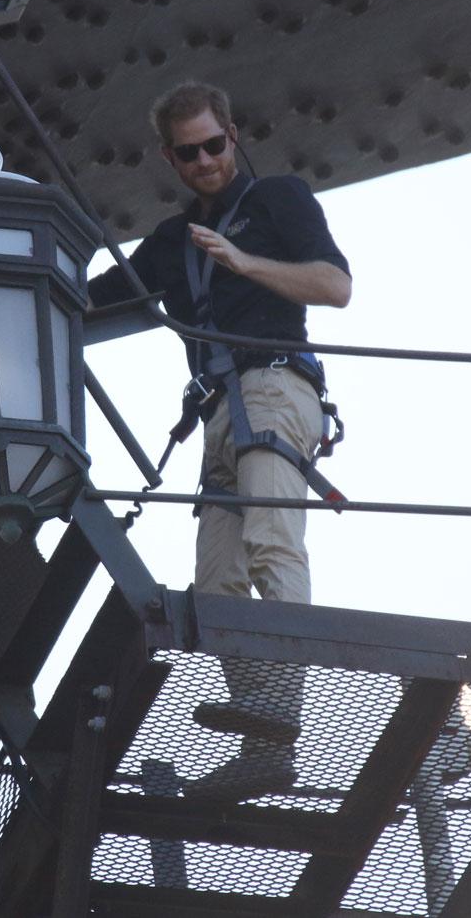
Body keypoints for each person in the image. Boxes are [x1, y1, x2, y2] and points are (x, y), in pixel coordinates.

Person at [88, 81, 352, 803]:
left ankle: (278, 719)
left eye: (214, 144)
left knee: (272, 540)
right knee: (216, 582)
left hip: (273, 385)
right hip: (219, 409)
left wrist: (243, 261)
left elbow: (335, 285)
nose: (205, 160)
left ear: (233, 136)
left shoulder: (279, 201)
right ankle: (264, 748)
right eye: (189, 152)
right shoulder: (174, 242)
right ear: (170, 159)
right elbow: (101, 296)